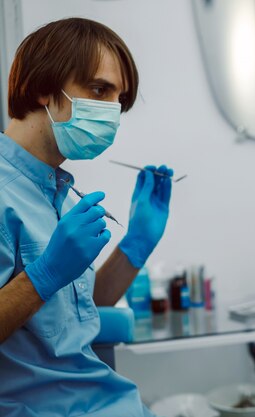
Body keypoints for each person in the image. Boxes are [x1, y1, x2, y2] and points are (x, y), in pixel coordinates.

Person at [0, 18, 172, 416]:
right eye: (99, 90)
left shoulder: (54, 190)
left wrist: (136, 245)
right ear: (44, 87)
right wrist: (43, 274)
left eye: (118, 99)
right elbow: (44, 286)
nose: (111, 111)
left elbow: (74, 311)